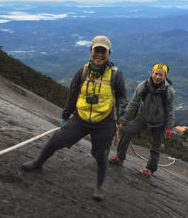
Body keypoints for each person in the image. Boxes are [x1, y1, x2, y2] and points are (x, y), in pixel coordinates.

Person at [21, 36, 127, 201]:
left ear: (109, 53)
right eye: (96, 50)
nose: (99, 54)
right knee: (56, 140)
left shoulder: (115, 74)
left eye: (103, 51)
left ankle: (99, 186)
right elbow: (73, 94)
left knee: (101, 155)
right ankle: (38, 162)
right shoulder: (82, 71)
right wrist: (65, 116)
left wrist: (122, 106)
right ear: (90, 51)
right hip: (81, 117)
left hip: (104, 122)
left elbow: (122, 95)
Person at [108, 63, 175, 177]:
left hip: (160, 121)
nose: (158, 77)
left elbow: (170, 110)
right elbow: (134, 103)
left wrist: (169, 128)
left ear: (165, 77)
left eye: (161, 75)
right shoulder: (143, 86)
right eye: (156, 74)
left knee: (156, 145)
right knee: (127, 131)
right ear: (152, 73)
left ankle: (150, 168)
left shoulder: (168, 91)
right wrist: (126, 118)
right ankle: (120, 157)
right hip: (143, 117)